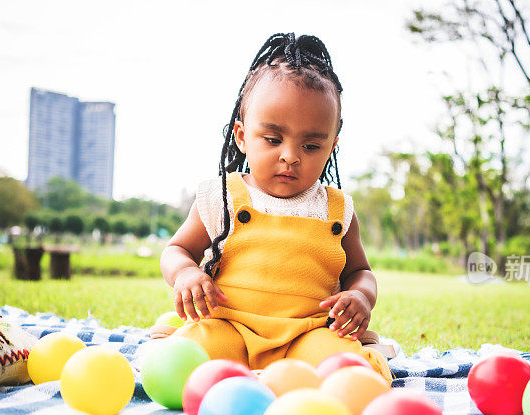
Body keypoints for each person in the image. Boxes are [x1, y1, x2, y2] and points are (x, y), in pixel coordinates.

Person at [155, 32, 392, 383]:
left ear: (332, 147)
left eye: (311, 145)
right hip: (229, 327)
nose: (290, 156)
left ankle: (362, 353)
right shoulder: (223, 196)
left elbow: (361, 271)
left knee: (349, 375)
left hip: (307, 335)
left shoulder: (336, 209)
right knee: (183, 366)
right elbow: (176, 250)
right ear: (241, 135)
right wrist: (186, 274)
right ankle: (173, 340)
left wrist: (360, 295)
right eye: (273, 139)